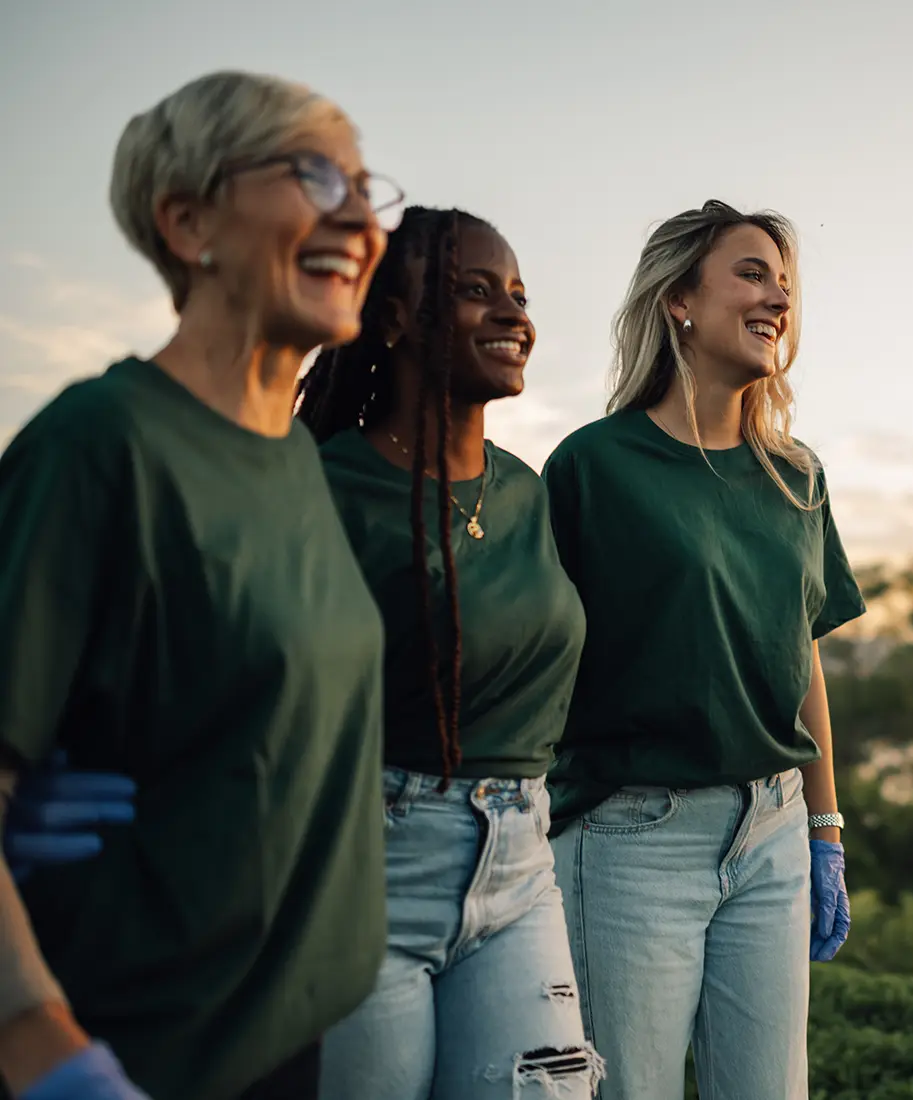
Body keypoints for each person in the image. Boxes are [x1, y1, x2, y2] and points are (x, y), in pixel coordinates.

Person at [0, 70, 403, 1100]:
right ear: (188, 221)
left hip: (282, 1041)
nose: (359, 218)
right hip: (133, 1052)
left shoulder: (298, 463)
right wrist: (43, 1046)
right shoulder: (103, 443)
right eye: (315, 175)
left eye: (366, 188)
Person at [542, 200, 867, 1100]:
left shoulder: (795, 475)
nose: (777, 300)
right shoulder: (593, 467)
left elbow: (798, 656)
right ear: (679, 298)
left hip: (770, 837)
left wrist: (823, 826)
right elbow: (535, 659)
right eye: (752, 274)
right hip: (630, 842)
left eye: (786, 284)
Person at [295, 206, 602, 1100]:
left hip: (520, 862)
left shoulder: (524, 492)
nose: (514, 315)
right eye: (476, 293)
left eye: (518, 295)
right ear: (392, 320)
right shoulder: (326, 488)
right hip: (369, 865)